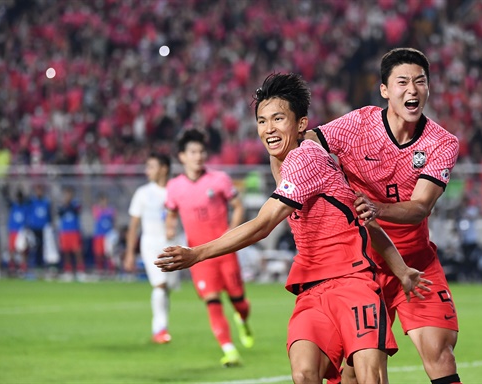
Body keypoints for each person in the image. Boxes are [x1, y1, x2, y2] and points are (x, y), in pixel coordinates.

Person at [156, 73, 430, 383]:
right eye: (261, 121)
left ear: (301, 124)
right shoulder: (283, 162)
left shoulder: (304, 157)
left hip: (353, 284)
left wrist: (196, 254)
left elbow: (263, 225)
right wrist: (402, 270)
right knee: (303, 373)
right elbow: (360, 220)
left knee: (369, 377)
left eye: (277, 119)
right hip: (312, 290)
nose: (268, 129)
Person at [302, 48, 463, 384]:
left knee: (440, 352)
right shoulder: (357, 124)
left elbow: (420, 208)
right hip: (362, 269)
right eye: (402, 82)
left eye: (420, 82)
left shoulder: (442, 142)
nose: (413, 90)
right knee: (354, 372)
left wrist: (375, 207)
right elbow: (311, 139)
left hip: (416, 263)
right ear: (385, 90)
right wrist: (319, 168)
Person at [164, 128, 253, 367]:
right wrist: (170, 228)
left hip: (225, 251)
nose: (198, 156)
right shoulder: (174, 187)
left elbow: (238, 206)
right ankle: (229, 349)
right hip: (198, 256)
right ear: (182, 156)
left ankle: (242, 320)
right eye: (193, 151)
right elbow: (171, 213)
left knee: (240, 302)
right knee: (212, 301)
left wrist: (231, 233)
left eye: (202, 151)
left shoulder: (219, 179)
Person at [123, 152, 183, 344]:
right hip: (151, 243)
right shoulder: (143, 193)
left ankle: (161, 328)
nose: (147, 170)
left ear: (163, 168)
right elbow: (134, 226)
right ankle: (160, 330)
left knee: (168, 287)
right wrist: (130, 253)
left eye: (151, 166)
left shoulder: (178, 189)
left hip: (175, 244)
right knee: (160, 285)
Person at [57, 186, 86, 282]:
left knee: (77, 251)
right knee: (66, 252)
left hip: (74, 231)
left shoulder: (75, 204)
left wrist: (69, 204)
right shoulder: (62, 205)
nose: (68, 196)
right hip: (65, 231)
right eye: (66, 194)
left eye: (69, 194)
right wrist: (65, 204)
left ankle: (80, 271)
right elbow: (59, 213)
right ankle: (68, 271)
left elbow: (77, 210)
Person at [92, 193, 116, 276]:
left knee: (109, 253)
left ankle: (111, 270)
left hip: (108, 236)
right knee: (99, 254)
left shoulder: (111, 210)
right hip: (99, 235)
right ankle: (100, 269)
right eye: (102, 201)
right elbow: (96, 216)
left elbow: (114, 221)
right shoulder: (97, 210)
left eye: (105, 201)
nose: (103, 202)